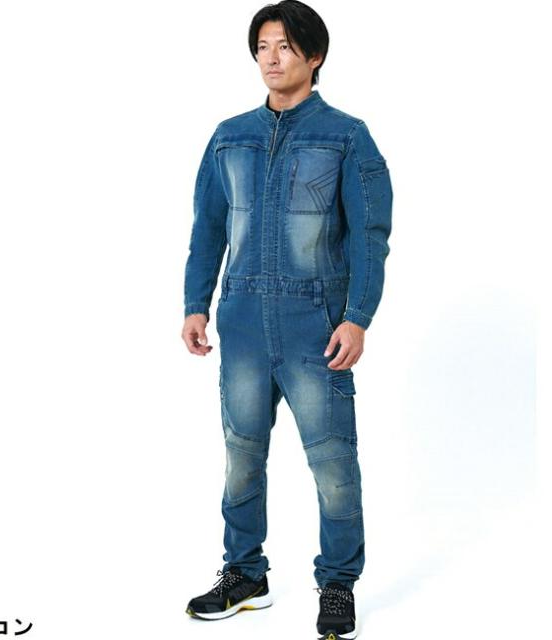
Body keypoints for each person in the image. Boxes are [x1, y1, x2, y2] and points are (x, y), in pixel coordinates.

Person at [182, 2, 393, 638]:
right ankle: (245, 573)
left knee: (333, 463)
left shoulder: (347, 136)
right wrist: (195, 303)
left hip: (315, 325)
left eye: (284, 47)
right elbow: (208, 227)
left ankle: (338, 583)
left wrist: (358, 317)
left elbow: (370, 236)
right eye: (263, 48)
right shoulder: (230, 136)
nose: (271, 59)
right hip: (243, 321)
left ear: (314, 55)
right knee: (241, 457)